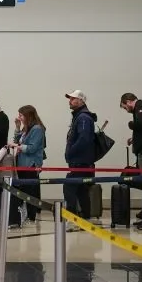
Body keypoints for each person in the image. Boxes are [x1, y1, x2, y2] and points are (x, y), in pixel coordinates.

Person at [9, 105, 46, 223]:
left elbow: (32, 148)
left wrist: (18, 147)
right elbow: (17, 140)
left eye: (21, 115)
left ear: (28, 116)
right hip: (21, 164)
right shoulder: (26, 129)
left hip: (30, 164)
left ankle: (31, 215)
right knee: (23, 189)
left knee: (30, 190)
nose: (19, 117)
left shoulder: (37, 129)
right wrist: (17, 127)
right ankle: (24, 213)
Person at [64, 90, 98, 218]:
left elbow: (84, 139)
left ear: (81, 101)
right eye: (70, 98)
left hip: (81, 162)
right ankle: (85, 216)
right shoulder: (80, 116)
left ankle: (72, 216)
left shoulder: (83, 117)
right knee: (81, 190)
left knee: (69, 187)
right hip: (82, 161)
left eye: (73, 99)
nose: (70, 101)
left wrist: (71, 151)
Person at [120, 92, 142, 229]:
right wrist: (134, 138)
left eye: (125, 107)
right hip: (141, 150)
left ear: (129, 101)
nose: (126, 110)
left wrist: (131, 125)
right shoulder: (139, 109)